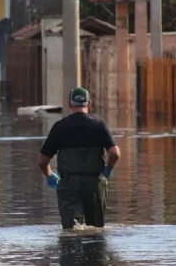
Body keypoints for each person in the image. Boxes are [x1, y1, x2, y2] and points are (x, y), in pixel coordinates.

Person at [38, 87, 121, 229]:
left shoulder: (60, 127)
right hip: (95, 184)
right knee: (96, 232)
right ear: (89, 104)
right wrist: (107, 170)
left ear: (70, 105)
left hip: (69, 185)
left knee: (71, 231)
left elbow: (42, 160)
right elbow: (115, 153)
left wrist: (50, 176)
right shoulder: (99, 125)